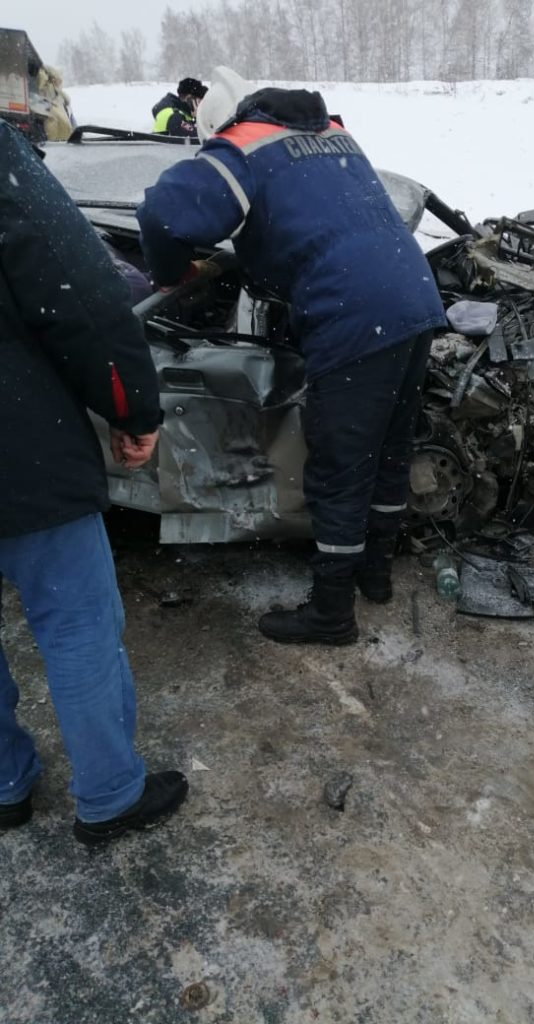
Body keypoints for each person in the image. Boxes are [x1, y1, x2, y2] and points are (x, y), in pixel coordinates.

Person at [138, 85, 446, 645]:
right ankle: (375, 577)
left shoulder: (238, 149)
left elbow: (162, 216)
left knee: (340, 468)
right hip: (412, 298)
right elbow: (318, 215)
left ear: (218, 125)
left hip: (352, 312)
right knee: (389, 451)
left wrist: (171, 274)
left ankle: (331, 615)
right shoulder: (329, 133)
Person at [0, 121, 188, 843]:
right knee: (75, 625)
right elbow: (78, 296)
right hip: (18, 452)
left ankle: (5, 784)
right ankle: (110, 795)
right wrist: (131, 408)